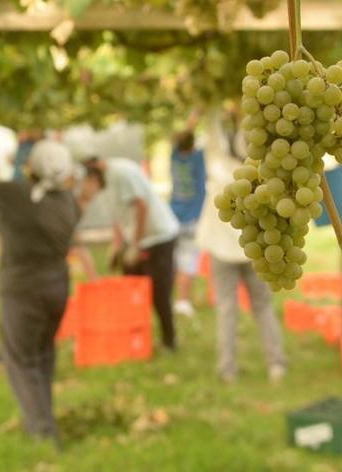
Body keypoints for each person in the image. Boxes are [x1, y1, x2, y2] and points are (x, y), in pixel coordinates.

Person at [0, 140, 83, 445]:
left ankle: (43, 434)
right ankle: (45, 418)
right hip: (56, 288)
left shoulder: (15, 194)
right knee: (42, 354)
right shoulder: (67, 202)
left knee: (22, 360)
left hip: (22, 290)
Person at [197, 109, 287, 383]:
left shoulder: (216, 167)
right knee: (263, 307)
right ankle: (277, 365)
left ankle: (227, 370)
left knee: (226, 308)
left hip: (222, 252)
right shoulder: (259, 177)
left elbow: (212, 136)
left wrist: (212, 110)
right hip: (255, 250)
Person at [74, 146, 181, 351]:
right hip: (134, 239)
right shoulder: (102, 184)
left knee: (160, 293)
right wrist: (117, 246)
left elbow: (141, 206)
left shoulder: (122, 173)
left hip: (158, 237)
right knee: (132, 289)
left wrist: (136, 245)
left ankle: (169, 342)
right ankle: (135, 338)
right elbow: (118, 216)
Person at [169, 130, 207, 318]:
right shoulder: (197, 159)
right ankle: (183, 302)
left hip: (173, 217)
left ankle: (176, 299)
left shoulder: (175, 158)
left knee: (176, 261)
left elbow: (183, 136)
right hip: (192, 220)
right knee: (189, 261)